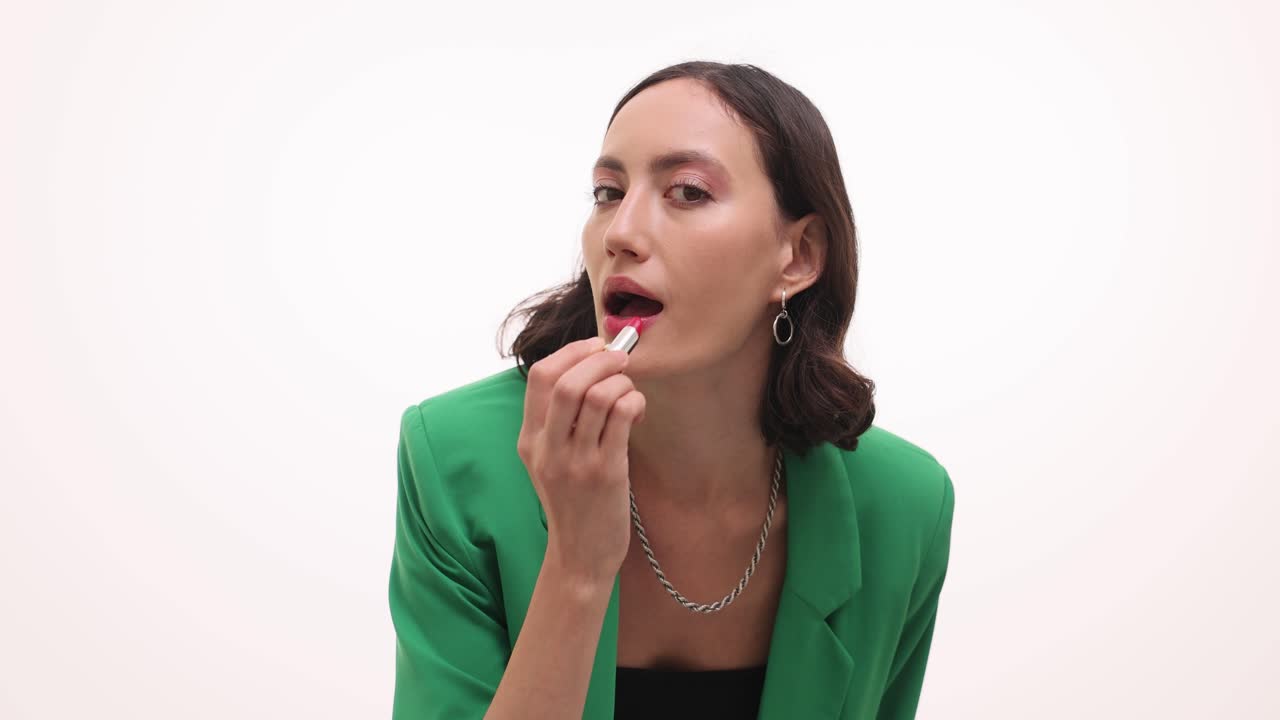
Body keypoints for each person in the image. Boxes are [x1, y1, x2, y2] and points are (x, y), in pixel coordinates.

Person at [388, 60, 956, 720]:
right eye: (607, 192)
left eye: (687, 192)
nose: (622, 233)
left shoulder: (901, 505)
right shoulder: (455, 460)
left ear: (797, 257)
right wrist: (577, 567)